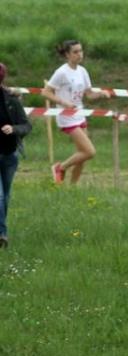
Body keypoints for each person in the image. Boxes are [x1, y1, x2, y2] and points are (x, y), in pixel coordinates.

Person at [43, 40, 105, 185]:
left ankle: (73, 186)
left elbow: (88, 94)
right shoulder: (61, 72)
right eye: (75, 52)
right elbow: (46, 92)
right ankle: (60, 168)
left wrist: (100, 93)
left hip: (79, 114)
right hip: (66, 117)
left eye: (81, 51)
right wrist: (63, 103)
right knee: (90, 152)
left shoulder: (82, 71)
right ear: (67, 55)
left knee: (82, 154)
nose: (79, 54)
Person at [0, 64, 31, 249]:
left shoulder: (11, 101)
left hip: (9, 156)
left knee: (6, 196)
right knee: (0, 197)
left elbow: (26, 126)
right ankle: (2, 234)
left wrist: (14, 129)